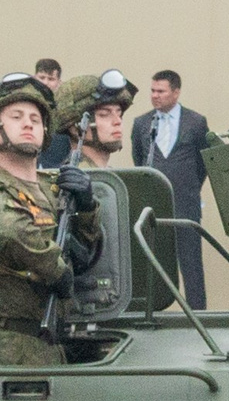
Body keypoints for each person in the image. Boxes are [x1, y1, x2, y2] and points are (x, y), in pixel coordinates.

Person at [0, 73, 98, 366]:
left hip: (47, 346)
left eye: (36, 119)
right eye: (16, 116)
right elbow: (10, 232)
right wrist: (57, 270)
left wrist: (86, 206)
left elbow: (86, 253)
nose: (28, 123)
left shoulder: (53, 189)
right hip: (3, 350)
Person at [133, 69, 211, 308]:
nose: (155, 96)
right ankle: (152, 312)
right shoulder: (142, 123)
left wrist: (188, 188)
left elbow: (203, 163)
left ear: (175, 93)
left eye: (161, 91)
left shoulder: (196, 122)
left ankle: (198, 314)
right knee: (153, 261)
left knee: (191, 263)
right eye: (153, 91)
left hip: (185, 203)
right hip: (153, 206)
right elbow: (139, 159)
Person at [54, 69, 136, 171]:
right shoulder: (71, 181)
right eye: (104, 114)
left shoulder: (110, 177)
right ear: (75, 128)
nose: (117, 121)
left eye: (119, 114)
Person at [32, 58, 74, 168]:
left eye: (51, 79)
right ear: (34, 79)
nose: (45, 83)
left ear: (59, 83)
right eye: (42, 78)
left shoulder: (66, 110)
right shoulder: (26, 106)